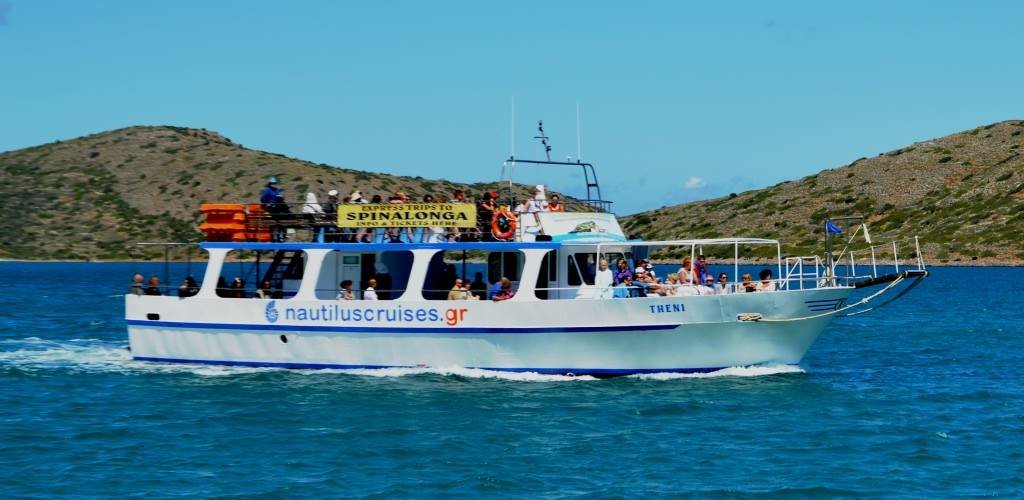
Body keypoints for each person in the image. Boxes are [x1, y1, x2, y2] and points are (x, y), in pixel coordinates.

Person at [259, 177, 289, 242]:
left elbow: (279, 197)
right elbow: (262, 199)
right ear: (270, 184)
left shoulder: (276, 190)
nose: (274, 184)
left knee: (284, 214)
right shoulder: (267, 190)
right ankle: (278, 236)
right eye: (272, 183)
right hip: (271, 208)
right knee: (278, 220)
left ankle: (281, 236)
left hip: (277, 207)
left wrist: (280, 198)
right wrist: (267, 203)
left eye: (275, 183)